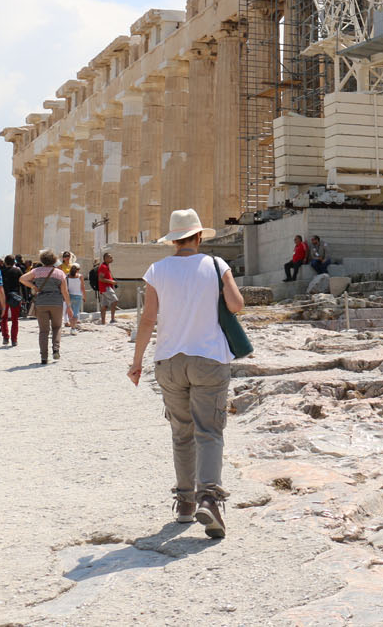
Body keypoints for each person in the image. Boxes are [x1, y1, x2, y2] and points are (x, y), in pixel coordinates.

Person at [128, 208, 244, 538]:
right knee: (209, 431)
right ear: (198, 237)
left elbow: (148, 319)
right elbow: (236, 305)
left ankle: (185, 504)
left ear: (173, 241)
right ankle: (208, 498)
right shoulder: (217, 265)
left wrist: (137, 362)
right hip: (209, 357)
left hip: (169, 361)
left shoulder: (157, 270)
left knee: (181, 433)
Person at [21, 252, 68, 365]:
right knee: (57, 327)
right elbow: (64, 291)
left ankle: (44, 357)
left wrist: (33, 286)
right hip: (56, 302)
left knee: (43, 331)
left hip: (41, 302)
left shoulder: (36, 271)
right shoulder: (60, 273)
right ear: (54, 260)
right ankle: (56, 349)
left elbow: (22, 279)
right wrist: (69, 305)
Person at [0, 255, 24, 347]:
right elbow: (22, 284)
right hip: (15, 296)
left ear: (5, 262)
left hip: (4, 296)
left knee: (4, 318)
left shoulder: (1, 271)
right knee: (15, 319)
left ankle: (5, 337)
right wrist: (24, 297)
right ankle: (14, 339)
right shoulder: (18, 271)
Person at [98, 252, 118, 323]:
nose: (112, 258)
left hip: (104, 288)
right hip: (106, 287)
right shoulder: (103, 267)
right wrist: (111, 282)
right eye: (110, 257)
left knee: (104, 305)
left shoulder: (106, 266)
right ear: (106, 258)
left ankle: (103, 321)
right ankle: (112, 319)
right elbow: (100, 278)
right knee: (115, 300)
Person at [65, 264, 85, 333]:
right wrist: (84, 296)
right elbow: (82, 287)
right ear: (77, 270)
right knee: (76, 312)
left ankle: (72, 326)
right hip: (78, 296)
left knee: (70, 312)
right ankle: (73, 328)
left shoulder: (67, 276)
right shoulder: (80, 276)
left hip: (69, 296)